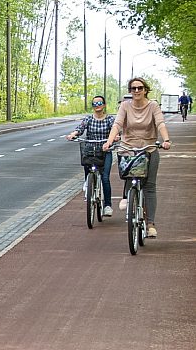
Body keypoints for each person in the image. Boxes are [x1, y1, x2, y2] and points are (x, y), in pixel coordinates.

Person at [102, 77, 172, 238]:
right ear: (130, 91)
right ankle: (127, 195)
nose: (136, 91)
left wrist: (166, 140)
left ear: (145, 90)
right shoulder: (125, 106)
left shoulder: (153, 105)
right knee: (128, 174)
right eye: (133, 88)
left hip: (148, 149)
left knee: (149, 186)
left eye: (140, 88)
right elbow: (117, 124)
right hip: (128, 149)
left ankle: (151, 224)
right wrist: (109, 141)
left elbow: (160, 123)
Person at [66, 95, 116, 216]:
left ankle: (107, 205)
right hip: (90, 150)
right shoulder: (88, 119)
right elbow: (80, 128)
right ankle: (88, 187)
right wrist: (73, 134)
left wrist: (115, 137)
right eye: (94, 104)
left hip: (105, 151)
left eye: (99, 103)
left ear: (104, 105)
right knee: (88, 170)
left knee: (105, 177)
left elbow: (115, 130)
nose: (97, 106)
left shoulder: (110, 119)